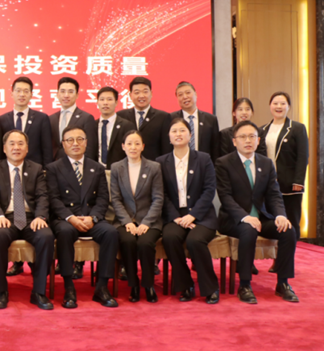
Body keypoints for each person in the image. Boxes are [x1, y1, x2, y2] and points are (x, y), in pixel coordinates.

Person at [216, 121, 298, 304]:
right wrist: (245, 217)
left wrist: (280, 215)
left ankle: (283, 282)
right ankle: (245, 284)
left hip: (261, 217)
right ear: (234, 141)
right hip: (233, 219)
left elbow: (274, 194)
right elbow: (225, 197)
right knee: (249, 229)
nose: (248, 140)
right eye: (243, 137)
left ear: (258, 140)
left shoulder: (266, 163)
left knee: (288, 231)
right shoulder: (224, 163)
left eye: (252, 136)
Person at [47, 125, 119, 308]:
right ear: (63, 144)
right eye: (70, 140)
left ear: (86, 143)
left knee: (110, 233)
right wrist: (70, 218)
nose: (75, 143)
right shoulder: (54, 168)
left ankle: (102, 286)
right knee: (64, 233)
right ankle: (69, 286)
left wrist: (93, 218)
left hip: (90, 218)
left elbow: (102, 198)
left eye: (80, 139)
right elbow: (53, 199)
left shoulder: (97, 167)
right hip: (66, 219)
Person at [0, 130, 55, 310]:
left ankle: (39, 292)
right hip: (6, 217)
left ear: (27, 148)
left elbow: (42, 196)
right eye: (12, 144)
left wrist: (40, 216)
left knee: (46, 236)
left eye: (20, 144)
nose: (16, 147)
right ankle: (2, 291)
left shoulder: (36, 169)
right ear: (4, 148)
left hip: (31, 218)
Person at [157, 118, 220, 304]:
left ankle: (210, 287)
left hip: (202, 216)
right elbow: (161, 193)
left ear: (190, 135)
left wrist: (193, 215)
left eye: (182, 130)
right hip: (175, 216)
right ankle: (185, 285)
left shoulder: (203, 159)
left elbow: (209, 190)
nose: (178, 134)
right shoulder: (161, 162)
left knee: (195, 240)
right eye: (174, 131)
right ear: (169, 137)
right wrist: (175, 217)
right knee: (170, 237)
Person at [109, 130, 163, 303]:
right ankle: (133, 284)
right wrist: (127, 222)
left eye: (137, 143)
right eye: (129, 143)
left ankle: (148, 285)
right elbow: (116, 199)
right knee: (128, 241)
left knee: (145, 243)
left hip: (149, 220)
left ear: (143, 146)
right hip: (124, 221)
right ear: (123, 146)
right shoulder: (116, 168)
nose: (133, 147)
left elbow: (158, 198)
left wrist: (146, 222)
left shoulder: (154, 167)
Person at [260, 91, 308, 242]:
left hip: (290, 183)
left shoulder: (297, 128)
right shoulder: (262, 130)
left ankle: (290, 254)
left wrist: (298, 181)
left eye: (283, 103)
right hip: (268, 182)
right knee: (272, 220)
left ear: (289, 107)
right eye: (275, 103)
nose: (279, 106)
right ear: (270, 106)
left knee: (291, 219)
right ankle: (275, 254)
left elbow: (303, 156)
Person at [0, 77, 52, 166]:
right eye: (18, 91)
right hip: (9, 168)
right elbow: (0, 149)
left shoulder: (41, 118)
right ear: (12, 93)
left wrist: (46, 170)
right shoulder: (2, 119)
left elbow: (47, 148)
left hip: (35, 169)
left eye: (26, 91)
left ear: (31, 95)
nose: (22, 94)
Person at [119, 77, 171, 161]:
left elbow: (166, 149)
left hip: (154, 166)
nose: (141, 96)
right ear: (130, 95)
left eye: (145, 91)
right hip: (127, 166)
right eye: (137, 92)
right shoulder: (121, 116)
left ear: (151, 93)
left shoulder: (163, 117)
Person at [170, 81, 220, 163]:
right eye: (180, 95)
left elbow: (215, 148)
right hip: (179, 165)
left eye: (188, 92)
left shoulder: (211, 119)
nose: (185, 97)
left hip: (203, 165)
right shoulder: (171, 119)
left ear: (196, 94)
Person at [49, 76, 96, 162]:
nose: (66, 95)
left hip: (77, 164)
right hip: (54, 165)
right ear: (57, 94)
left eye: (70, 92)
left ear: (77, 95)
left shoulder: (86, 118)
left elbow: (90, 148)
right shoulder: (51, 119)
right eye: (63, 91)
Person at [95, 86, 136, 169]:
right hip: (96, 170)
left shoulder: (127, 125)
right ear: (97, 102)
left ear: (116, 102)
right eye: (102, 99)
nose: (105, 103)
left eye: (109, 99)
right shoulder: (93, 125)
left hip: (119, 170)